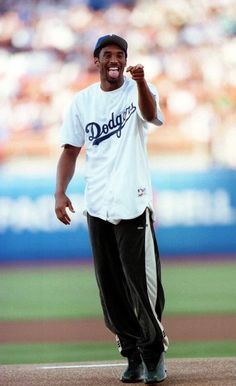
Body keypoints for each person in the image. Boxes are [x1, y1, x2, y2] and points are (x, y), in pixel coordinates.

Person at [54, 34, 169, 384]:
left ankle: (153, 356)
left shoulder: (139, 92)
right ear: (97, 60)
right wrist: (60, 192)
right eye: (108, 55)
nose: (114, 60)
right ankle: (132, 355)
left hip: (133, 202)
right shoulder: (83, 101)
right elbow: (70, 150)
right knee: (111, 287)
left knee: (143, 287)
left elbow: (151, 116)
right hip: (98, 205)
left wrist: (141, 82)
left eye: (120, 54)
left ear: (126, 60)